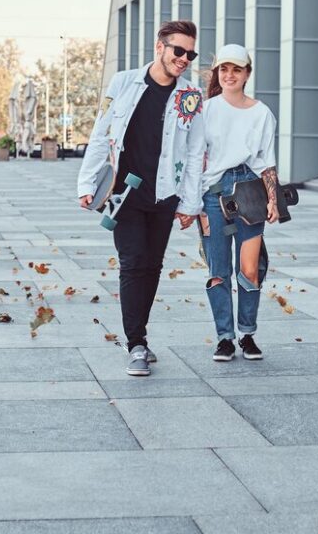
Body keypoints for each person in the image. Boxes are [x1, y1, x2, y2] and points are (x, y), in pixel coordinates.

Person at [77, 20, 205, 376]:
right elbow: (101, 133)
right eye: (178, 50)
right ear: (159, 47)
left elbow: (195, 152)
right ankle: (135, 343)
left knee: (152, 266)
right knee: (133, 263)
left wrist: (189, 203)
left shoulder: (191, 96)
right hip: (126, 193)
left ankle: (140, 337)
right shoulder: (123, 83)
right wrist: (87, 183)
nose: (184, 59)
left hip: (166, 193)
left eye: (190, 54)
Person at [198, 44, 278, 362]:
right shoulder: (206, 110)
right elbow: (195, 158)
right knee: (218, 270)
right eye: (224, 69)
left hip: (250, 192)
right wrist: (191, 204)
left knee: (249, 269)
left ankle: (247, 334)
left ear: (247, 74)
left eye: (237, 69)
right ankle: (224, 338)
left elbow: (266, 161)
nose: (230, 75)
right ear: (217, 72)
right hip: (213, 194)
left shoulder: (261, 113)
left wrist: (273, 199)